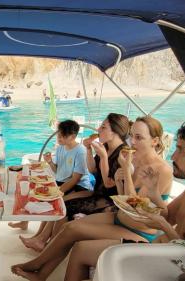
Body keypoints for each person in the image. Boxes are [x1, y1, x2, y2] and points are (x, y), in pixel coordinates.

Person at [64, 123, 185, 281]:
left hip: (177, 268)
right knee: (81, 250)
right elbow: (167, 216)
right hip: (160, 250)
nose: (172, 156)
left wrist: (163, 225)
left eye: (180, 150)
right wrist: (154, 194)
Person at [11, 116, 173, 281]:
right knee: (70, 228)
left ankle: (36, 265)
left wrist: (125, 171)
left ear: (155, 141)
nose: (132, 142)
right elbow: (123, 196)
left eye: (139, 138)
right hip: (119, 217)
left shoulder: (162, 170)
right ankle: (41, 273)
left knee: (76, 238)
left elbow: (134, 207)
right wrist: (119, 179)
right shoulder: (135, 159)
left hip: (138, 229)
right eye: (132, 136)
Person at [18, 114, 130, 252]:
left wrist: (104, 157)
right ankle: (40, 238)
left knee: (64, 206)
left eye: (103, 127)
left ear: (115, 132)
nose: (98, 129)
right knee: (60, 201)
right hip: (96, 193)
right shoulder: (106, 147)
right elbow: (93, 169)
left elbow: (108, 184)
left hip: (110, 201)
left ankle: (49, 246)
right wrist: (89, 149)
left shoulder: (123, 153)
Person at [16, 120, 93, 250]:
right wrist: (50, 162)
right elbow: (57, 170)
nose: (59, 138)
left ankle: (41, 240)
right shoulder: (60, 148)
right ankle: (38, 235)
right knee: (37, 190)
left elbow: (75, 179)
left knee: (53, 200)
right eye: (58, 135)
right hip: (62, 182)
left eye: (63, 136)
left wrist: (57, 192)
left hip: (79, 186)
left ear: (73, 136)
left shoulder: (80, 151)